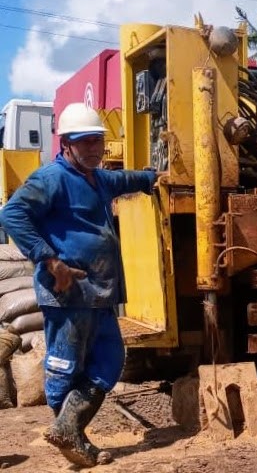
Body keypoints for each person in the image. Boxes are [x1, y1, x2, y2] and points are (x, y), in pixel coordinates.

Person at [0, 103, 157, 467]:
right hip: (68, 293)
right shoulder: (51, 178)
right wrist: (50, 259)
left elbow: (126, 179)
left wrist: (154, 178)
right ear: (66, 144)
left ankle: (68, 427)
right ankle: (69, 432)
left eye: (97, 140)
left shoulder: (98, 177)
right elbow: (12, 214)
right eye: (83, 142)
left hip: (98, 293)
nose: (93, 148)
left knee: (111, 359)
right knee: (65, 365)